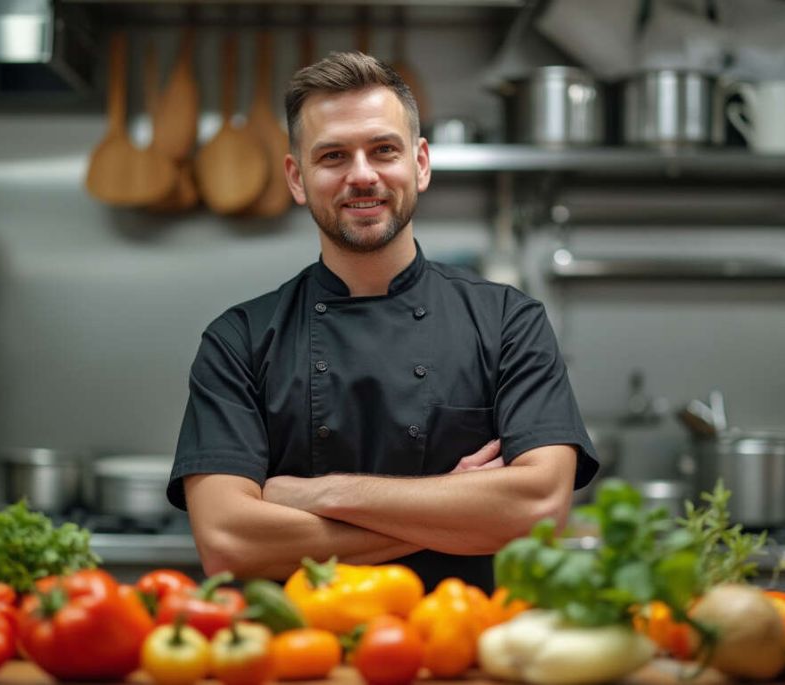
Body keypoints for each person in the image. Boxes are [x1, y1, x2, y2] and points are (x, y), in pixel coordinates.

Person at [167, 51, 597, 592]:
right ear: (298, 179)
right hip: (303, 662)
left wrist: (318, 494)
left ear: (419, 163)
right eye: (333, 156)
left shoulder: (509, 321)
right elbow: (229, 543)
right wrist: (459, 513)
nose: (362, 175)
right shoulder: (239, 341)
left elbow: (538, 509)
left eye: (383, 150)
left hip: (460, 655)